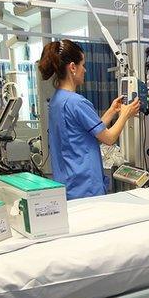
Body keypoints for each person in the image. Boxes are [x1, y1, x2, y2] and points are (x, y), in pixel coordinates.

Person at [38, 39, 140, 199]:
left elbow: (89, 131)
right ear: (72, 67)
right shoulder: (77, 102)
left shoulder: (57, 100)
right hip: (85, 186)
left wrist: (112, 111)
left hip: (68, 184)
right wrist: (125, 114)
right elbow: (109, 138)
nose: (84, 70)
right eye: (82, 65)